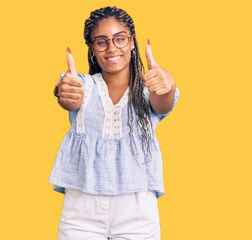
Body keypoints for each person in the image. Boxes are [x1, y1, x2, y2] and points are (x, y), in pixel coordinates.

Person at [49, 6, 180, 240]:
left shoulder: (149, 88)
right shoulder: (82, 85)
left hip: (138, 209)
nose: (112, 48)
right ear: (92, 48)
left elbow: (163, 102)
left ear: (132, 42)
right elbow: (68, 94)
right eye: (101, 42)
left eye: (120, 39)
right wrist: (64, 91)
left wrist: (167, 82)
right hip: (81, 210)